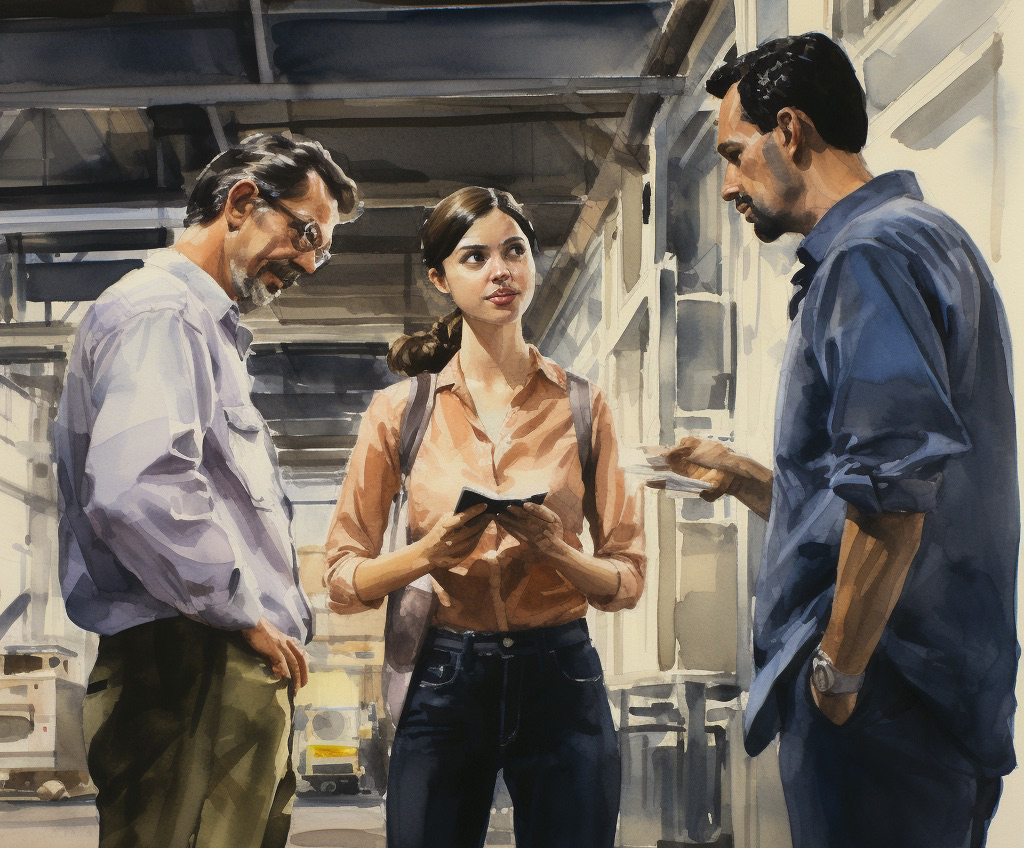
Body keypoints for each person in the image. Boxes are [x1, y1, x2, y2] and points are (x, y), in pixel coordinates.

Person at [663, 32, 1018, 848]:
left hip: (883, 700)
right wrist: (747, 477)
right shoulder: (929, 239)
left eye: (733, 154)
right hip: (935, 695)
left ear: (789, 131)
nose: (726, 187)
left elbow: (893, 493)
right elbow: (876, 479)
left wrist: (836, 673)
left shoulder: (868, 257)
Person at [55, 133, 358, 848]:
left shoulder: (200, 325)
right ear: (243, 201)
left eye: (324, 247)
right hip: (192, 666)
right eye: (305, 232)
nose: (311, 261)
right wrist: (242, 613)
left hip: (213, 659)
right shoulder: (162, 312)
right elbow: (139, 487)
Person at [324, 186, 645, 848]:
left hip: (561, 673)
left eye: (515, 252)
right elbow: (341, 578)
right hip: (443, 676)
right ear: (441, 278)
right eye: (475, 258)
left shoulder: (586, 407)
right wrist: (426, 556)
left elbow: (628, 577)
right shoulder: (399, 412)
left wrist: (557, 552)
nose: (501, 271)